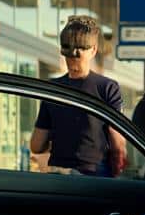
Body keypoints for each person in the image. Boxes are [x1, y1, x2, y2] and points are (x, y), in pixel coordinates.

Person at [29, 16, 126, 176]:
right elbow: (118, 143)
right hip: (94, 175)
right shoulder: (107, 88)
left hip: (58, 176)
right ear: (93, 50)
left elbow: (37, 145)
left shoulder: (53, 88)